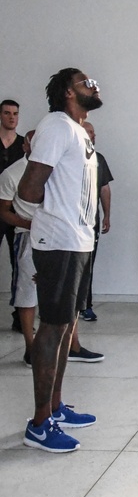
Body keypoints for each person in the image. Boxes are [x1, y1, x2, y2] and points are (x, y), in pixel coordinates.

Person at [18, 68, 103, 453]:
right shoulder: (55, 126)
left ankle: (55, 408)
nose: (95, 84)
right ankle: (39, 425)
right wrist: (45, 224)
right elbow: (30, 186)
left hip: (78, 240)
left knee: (67, 326)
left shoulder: (77, 131)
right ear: (69, 92)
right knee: (52, 329)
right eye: (87, 81)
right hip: (60, 241)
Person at [0, 129, 103, 367]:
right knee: (27, 292)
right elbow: (4, 210)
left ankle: (72, 345)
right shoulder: (11, 173)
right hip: (28, 237)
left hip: (60, 237)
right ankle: (30, 348)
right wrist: (30, 223)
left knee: (68, 292)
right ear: (25, 146)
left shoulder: (60, 169)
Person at [79, 121, 112, 322]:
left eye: (93, 133)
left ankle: (85, 305)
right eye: (89, 132)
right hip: (72, 223)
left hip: (92, 223)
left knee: (87, 265)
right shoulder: (71, 156)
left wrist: (107, 214)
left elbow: (105, 188)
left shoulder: (99, 159)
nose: (93, 135)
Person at [0, 99, 26, 332]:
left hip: (15, 211)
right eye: (7, 113)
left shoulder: (22, 146)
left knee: (18, 261)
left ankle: (20, 317)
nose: (11, 117)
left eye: (15, 114)